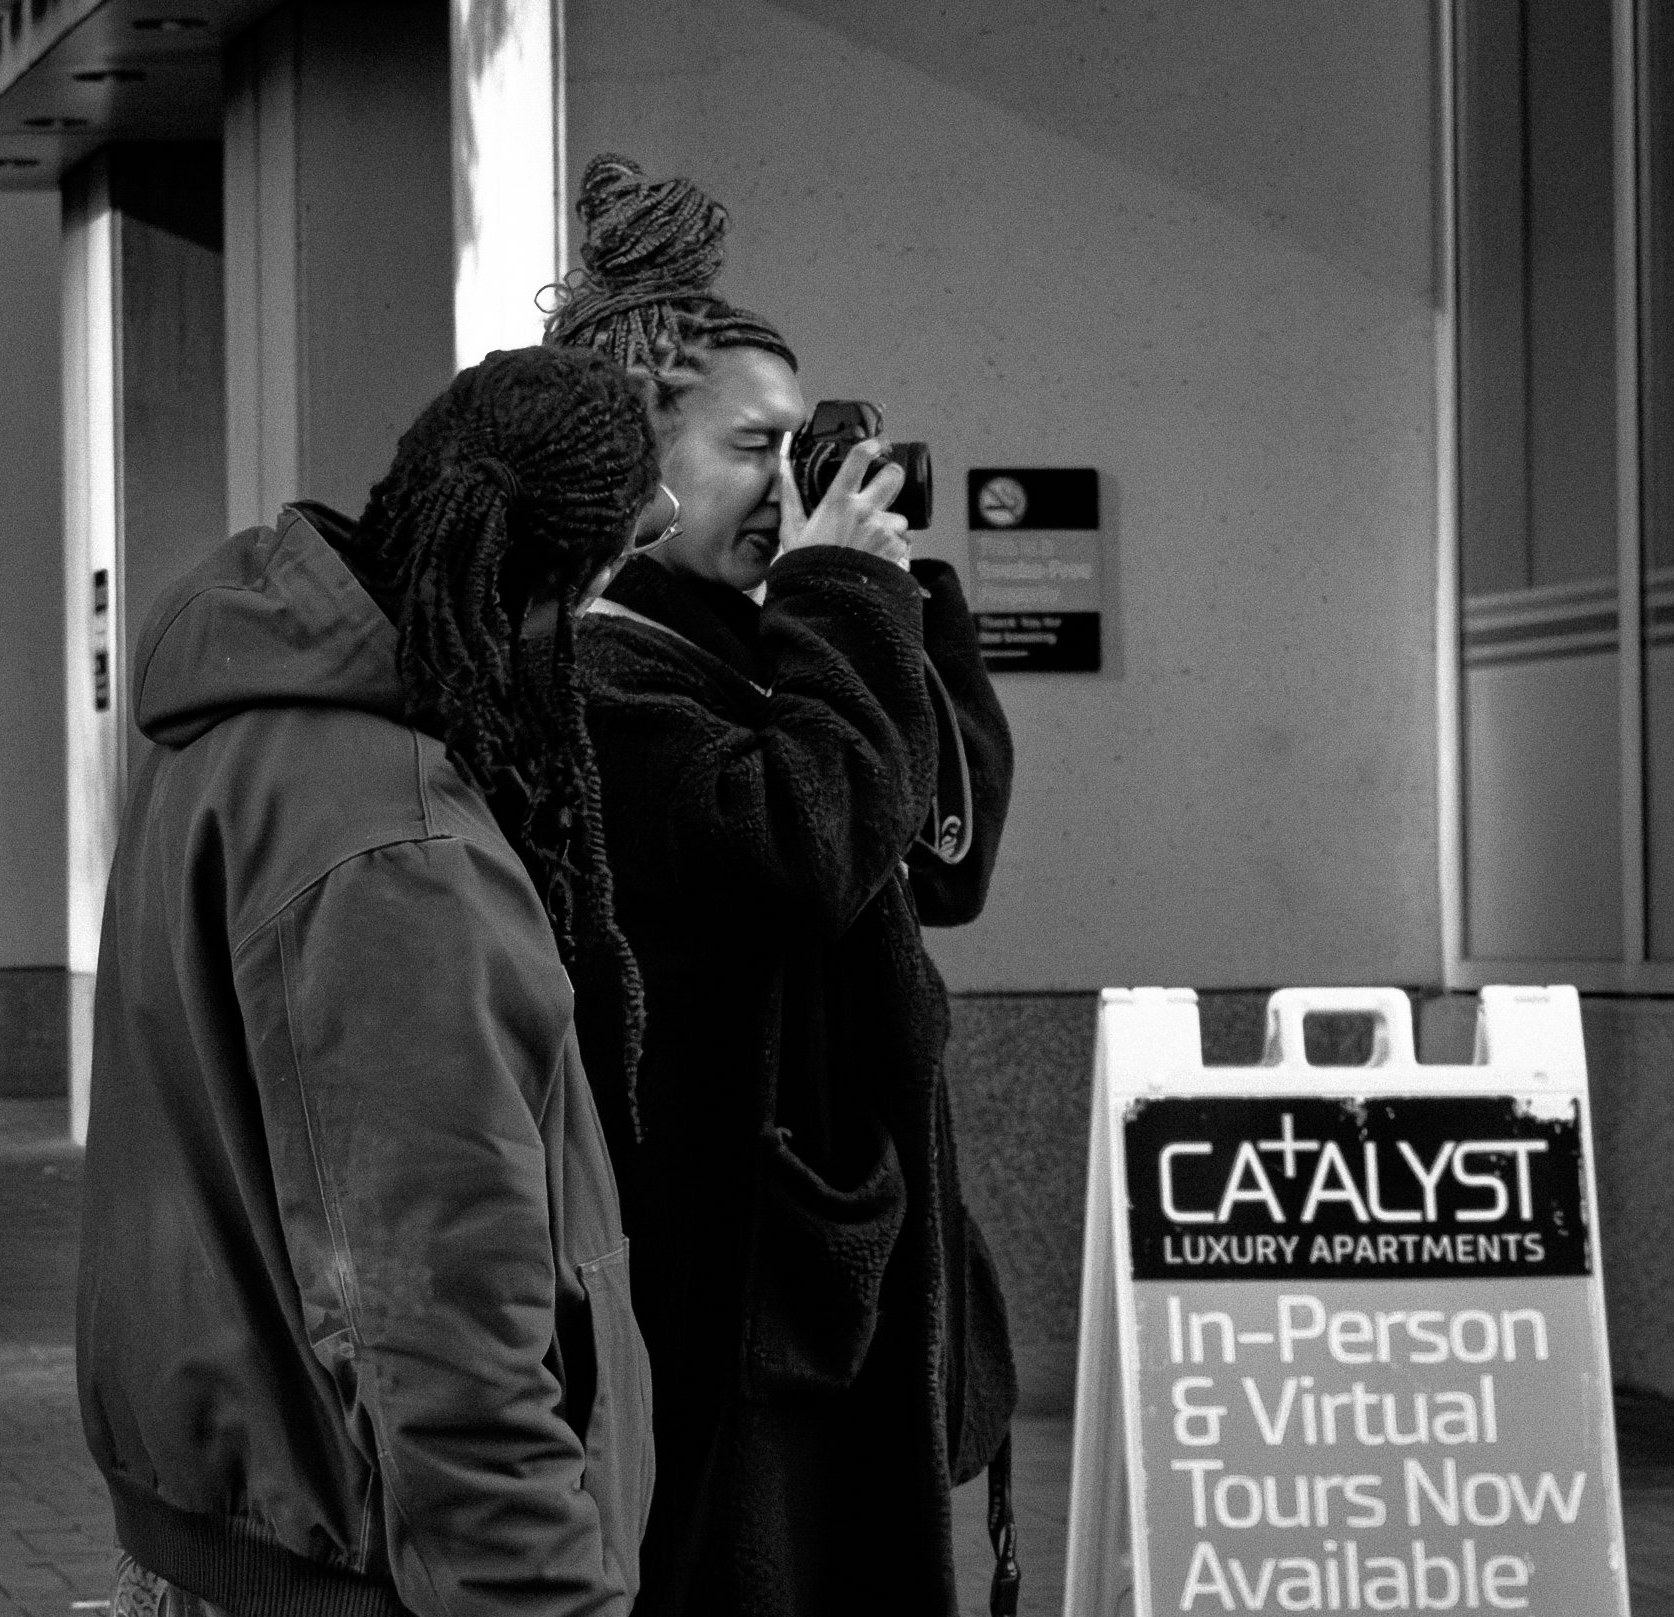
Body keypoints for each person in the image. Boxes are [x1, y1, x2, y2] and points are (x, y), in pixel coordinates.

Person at [77, 346, 671, 1617]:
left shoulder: (232, 737)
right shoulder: (394, 851)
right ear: (575, 584)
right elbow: (433, 1311)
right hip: (361, 1571)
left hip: (233, 1540)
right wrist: (535, 1596)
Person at [545, 155, 1020, 1616]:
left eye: (801, 446)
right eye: (754, 447)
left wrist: (898, 600)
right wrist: (833, 603)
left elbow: (945, 861)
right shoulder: (604, 680)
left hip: (819, 1261)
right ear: (635, 464)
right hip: (728, 1278)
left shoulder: (761, 647)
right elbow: (800, 852)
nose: (788, 482)